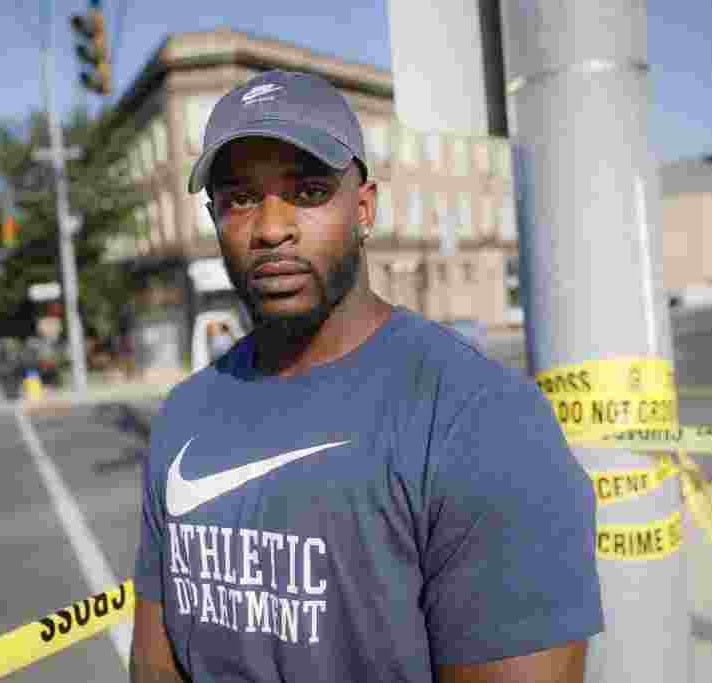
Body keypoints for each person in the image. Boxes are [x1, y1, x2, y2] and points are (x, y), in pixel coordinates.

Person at [132, 69, 603, 683]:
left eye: (307, 191)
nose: (271, 228)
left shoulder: (481, 422)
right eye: (241, 197)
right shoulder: (183, 417)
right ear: (215, 215)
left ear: (364, 207)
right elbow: (153, 662)